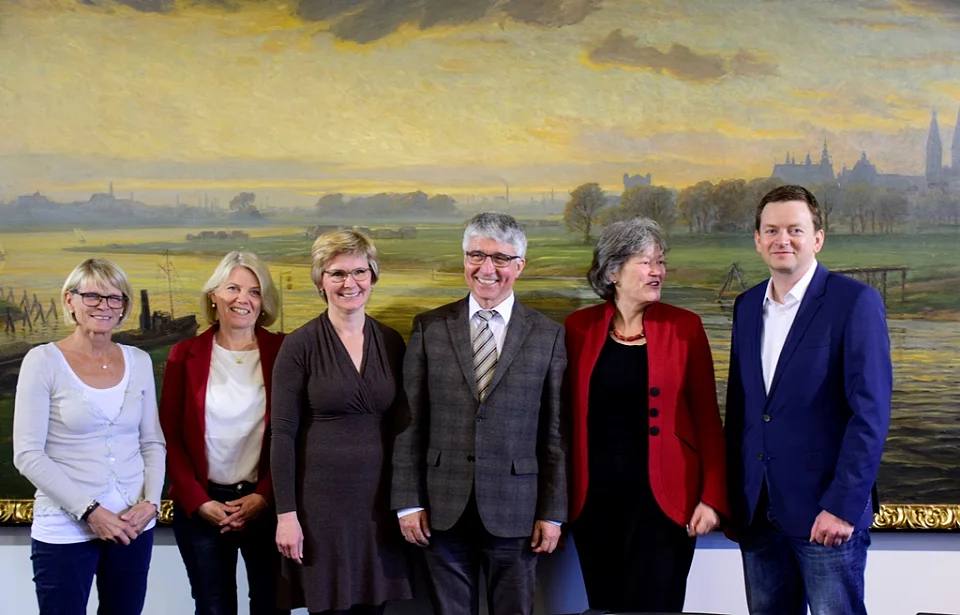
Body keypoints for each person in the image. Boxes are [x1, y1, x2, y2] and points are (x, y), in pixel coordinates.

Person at [725, 184, 892, 615]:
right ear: (758, 240)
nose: (783, 239)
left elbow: (869, 416)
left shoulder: (854, 302)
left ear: (817, 238)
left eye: (795, 229)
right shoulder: (745, 307)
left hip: (825, 513)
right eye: (772, 230)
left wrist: (841, 507)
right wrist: (733, 498)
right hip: (758, 513)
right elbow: (743, 411)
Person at [391, 212, 567, 615]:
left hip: (517, 510)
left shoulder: (548, 335)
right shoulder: (429, 327)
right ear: (464, 259)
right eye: (476, 255)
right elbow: (409, 424)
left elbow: (555, 434)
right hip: (440, 509)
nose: (486, 269)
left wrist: (553, 513)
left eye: (500, 259)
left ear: (519, 266)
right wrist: (407, 502)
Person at [564, 217, 728, 613]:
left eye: (661, 261)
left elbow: (708, 419)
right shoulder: (577, 328)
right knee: (605, 606)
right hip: (594, 503)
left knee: (658, 605)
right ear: (613, 272)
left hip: (667, 502)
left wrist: (712, 498)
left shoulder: (685, 326)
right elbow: (561, 424)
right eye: (646, 262)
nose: (657, 271)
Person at [13, 258, 165, 615]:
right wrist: (90, 512)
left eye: (116, 299)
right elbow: (28, 454)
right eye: (93, 296)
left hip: (133, 526)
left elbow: (152, 442)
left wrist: (152, 504)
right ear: (70, 300)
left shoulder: (139, 360)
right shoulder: (43, 361)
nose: (105, 306)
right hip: (65, 529)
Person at [271, 230, 412, 615]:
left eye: (359, 272)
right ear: (320, 281)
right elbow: (281, 434)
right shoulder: (299, 345)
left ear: (373, 276)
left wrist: (408, 503)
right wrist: (286, 516)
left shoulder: (391, 341)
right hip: (320, 511)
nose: (350, 283)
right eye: (337, 273)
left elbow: (404, 428)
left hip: (379, 507)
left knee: (374, 608)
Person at [159, 251, 287, 615]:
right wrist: (199, 501)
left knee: (272, 606)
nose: (242, 299)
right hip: (202, 508)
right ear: (214, 295)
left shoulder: (285, 351)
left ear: (263, 303)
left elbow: (295, 435)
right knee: (213, 608)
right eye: (232, 287)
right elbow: (169, 435)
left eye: (254, 291)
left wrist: (264, 497)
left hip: (266, 506)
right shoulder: (183, 355)